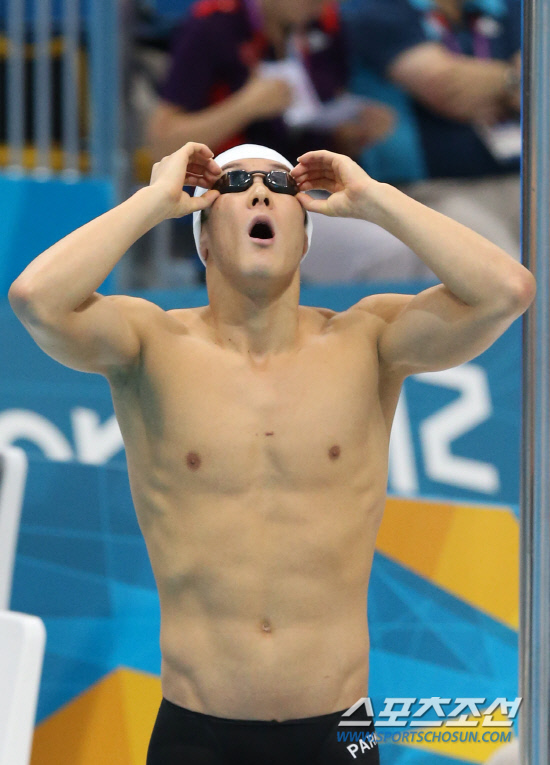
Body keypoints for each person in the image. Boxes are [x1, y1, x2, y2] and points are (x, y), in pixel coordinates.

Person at [8, 141, 535, 764]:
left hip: (340, 733)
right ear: (203, 240)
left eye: (280, 186)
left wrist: (376, 200)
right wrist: (151, 202)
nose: (260, 192)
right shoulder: (150, 344)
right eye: (235, 185)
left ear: (306, 238)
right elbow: (35, 298)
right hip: (197, 734)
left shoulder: (367, 340)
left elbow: (506, 290)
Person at [145, 0, 435, 285]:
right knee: (391, 253)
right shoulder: (214, 25)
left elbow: (317, 122)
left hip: (308, 186)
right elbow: (162, 143)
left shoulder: (325, 26)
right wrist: (244, 107)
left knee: (424, 237)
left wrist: (350, 134)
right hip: (238, 190)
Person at [342, 0, 522, 259]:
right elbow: (448, 89)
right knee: (500, 266)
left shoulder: (510, 8)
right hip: (425, 191)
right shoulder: (380, 10)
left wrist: (499, 83)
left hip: (520, 180)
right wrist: (515, 79)